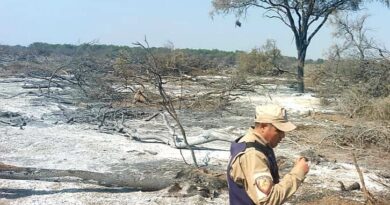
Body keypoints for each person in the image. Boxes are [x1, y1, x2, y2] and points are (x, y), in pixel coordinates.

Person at [227, 104, 309, 205]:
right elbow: (269, 200)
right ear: (263, 126)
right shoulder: (253, 155)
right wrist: (298, 173)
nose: (283, 135)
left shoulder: (254, 143)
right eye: (278, 130)